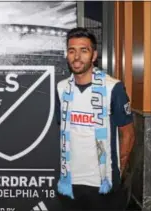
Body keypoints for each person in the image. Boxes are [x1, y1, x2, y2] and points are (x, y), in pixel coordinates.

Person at [55, 27, 135, 210]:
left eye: (84, 50)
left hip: (103, 183)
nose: (77, 57)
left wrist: (117, 172)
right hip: (70, 183)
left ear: (94, 55)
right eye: (71, 50)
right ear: (66, 54)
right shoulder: (61, 89)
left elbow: (128, 134)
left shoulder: (113, 88)